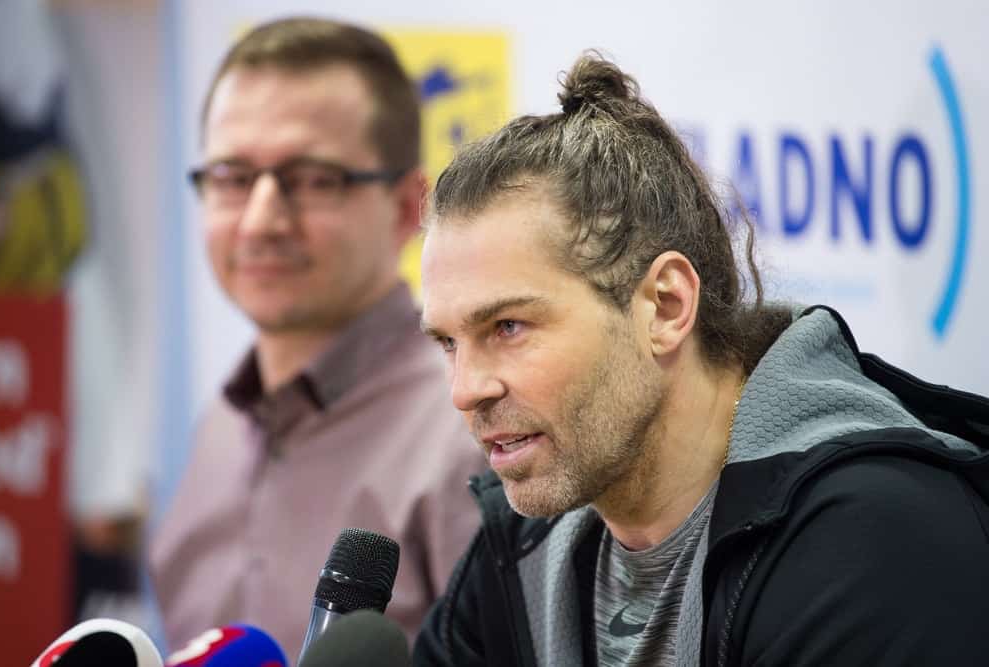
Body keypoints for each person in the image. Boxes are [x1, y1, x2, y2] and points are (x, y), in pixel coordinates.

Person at [413, 52, 989, 666]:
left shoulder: (875, 542)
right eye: (448, 342)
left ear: (665, 306)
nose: (465, 390)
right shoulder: (519, 548)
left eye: (508, 326)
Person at [148, 17, 485, 662]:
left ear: (406, 207)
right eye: (232, 176)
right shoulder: (219, 425)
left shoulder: (469, 434)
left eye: (313, 179)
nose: (262, 220)